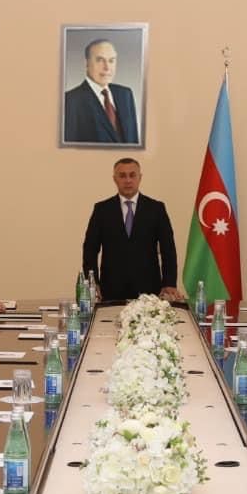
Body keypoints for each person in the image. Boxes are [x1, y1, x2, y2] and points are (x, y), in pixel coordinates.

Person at [81, 157, 183, 301]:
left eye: (132, 175)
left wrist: (169, 282)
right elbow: (90, 250)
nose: (128, 180)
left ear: (140, 178)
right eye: (122, 176)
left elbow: (168, 249)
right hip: (111, 289)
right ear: (115, 179)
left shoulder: (156, 208)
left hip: (149, 290)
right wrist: (92, 283)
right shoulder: (102, 209)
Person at [63, 37, 139, 145]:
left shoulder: (126, 94)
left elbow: (134, 142)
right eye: (100, 60)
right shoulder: (70, 101)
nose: (107, 67)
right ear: (86, 63)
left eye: (111, 60)